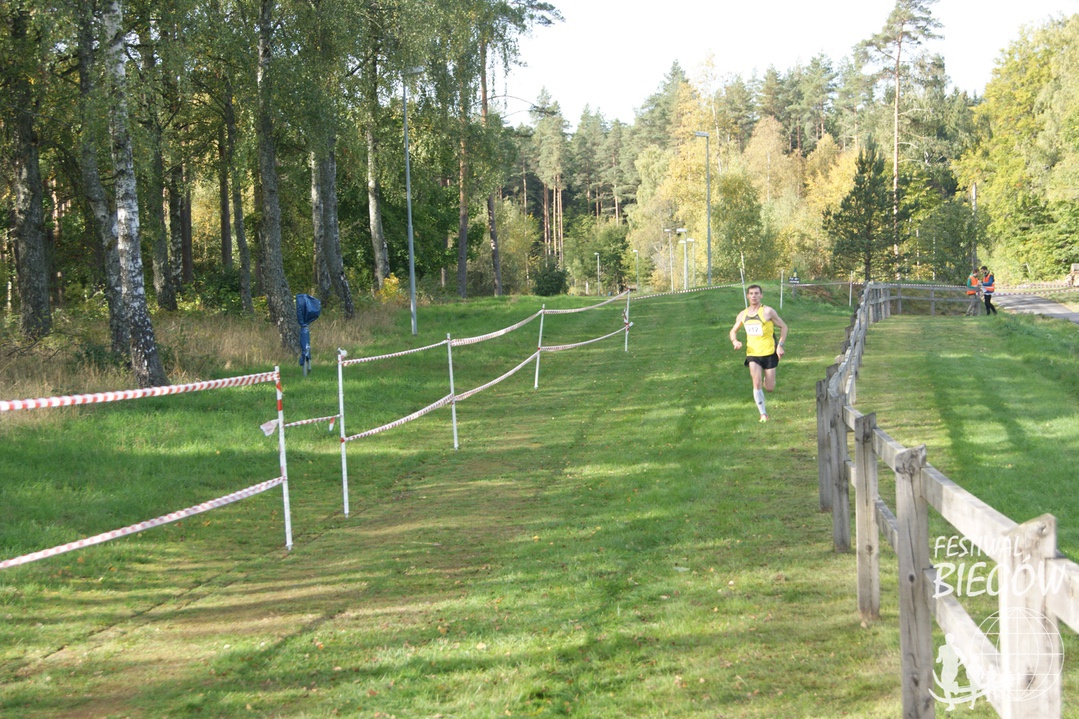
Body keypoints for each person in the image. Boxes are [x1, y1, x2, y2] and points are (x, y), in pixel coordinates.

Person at [729, 284, 788, 422]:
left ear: (761, 295)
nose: (754, 296)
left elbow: (784, 326)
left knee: (769, 388)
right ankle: (763, 414)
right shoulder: (743, 314)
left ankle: (767, 380)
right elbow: (733, 330)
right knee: (756, 382)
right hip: (753, 353)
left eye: (756, 293)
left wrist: (780, 345)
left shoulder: (767, 311)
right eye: (751, 293)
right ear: (747, 296)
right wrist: (735, 341)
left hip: (769, 352)